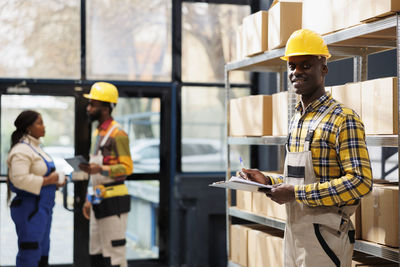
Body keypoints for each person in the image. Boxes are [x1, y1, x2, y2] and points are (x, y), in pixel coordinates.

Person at [240, 29, 373, 267]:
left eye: (306, 65)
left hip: (326, 237)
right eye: (292, 66)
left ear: (323, 68)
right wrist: (268, 181)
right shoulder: (297, 119)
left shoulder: (343, 118)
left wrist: (296, 194)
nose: (296, 72)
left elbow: (361, 182)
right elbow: (299, 179)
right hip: (293, 232)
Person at [79, 82, 133, 267]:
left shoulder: (119, 134)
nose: (89, 108)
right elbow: (94, 168)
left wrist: (101, 169)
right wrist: (89, 197)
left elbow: (127, 168)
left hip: (114, 202)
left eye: (92, 104)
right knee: (97, 251)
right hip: (97, 199)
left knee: (114, 254)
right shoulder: (98, 133)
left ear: (105, 107)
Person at [7, 110, 64, 267]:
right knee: (30, 252)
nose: (44, 127)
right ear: (28, 128)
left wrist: (56, 182)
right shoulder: (21, 150)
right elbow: (19, 180)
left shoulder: (37, 148)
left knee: (43, 252)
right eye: (40, 123)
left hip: (43, 209)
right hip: (29, 210)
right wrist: (48, 180)